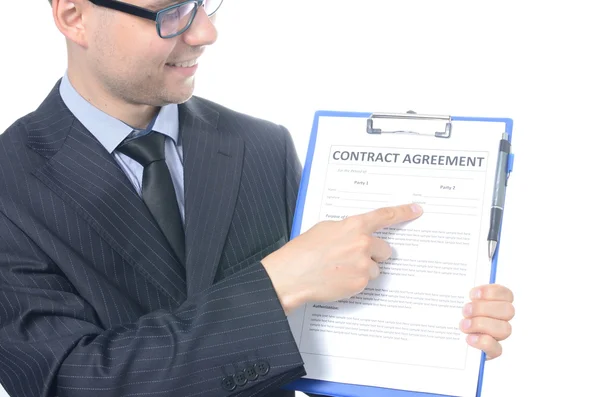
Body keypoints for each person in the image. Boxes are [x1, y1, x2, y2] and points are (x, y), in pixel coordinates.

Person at [0, 1, 515, 396]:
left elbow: (315, 330)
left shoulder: (262, 146)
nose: (206, 31)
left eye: (204, 3)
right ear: (73, 16)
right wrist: (276, 285)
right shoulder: (9, 183)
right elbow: (67, 381)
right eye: (172, 12)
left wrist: (434, 336)